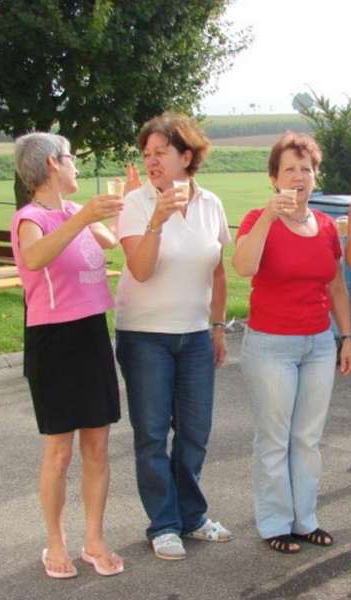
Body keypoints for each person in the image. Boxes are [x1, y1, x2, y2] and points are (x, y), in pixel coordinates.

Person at [114, 112, 233, 560]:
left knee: (195, 432)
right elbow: (141, 271)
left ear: (186, 155)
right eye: (146, 154)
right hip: (145, 336)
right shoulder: (137, 203)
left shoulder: (211, 204)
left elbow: (218, 271)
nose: (152, 161)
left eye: (161, 152)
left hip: (195, 335)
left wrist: (218, 326)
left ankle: (192, 516)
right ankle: (163, 523)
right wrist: (157, 220)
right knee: (150, 434)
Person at [233, 132, 351, 554]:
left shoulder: (323, 226)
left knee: (307, 437)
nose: (299, 176)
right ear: (274, 178)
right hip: (271, 345)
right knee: (274, 437)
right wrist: (268, 217)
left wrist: (346, 338)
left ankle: (306, 519)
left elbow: (337, 286)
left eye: (306, 169)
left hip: (318, 343)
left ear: (315, 176)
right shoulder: (255, 219)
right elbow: (244, 267)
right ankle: (274, 523)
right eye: (290, 169)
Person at [10, 132, 124, 578]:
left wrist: (127, 203)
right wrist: (78, 220)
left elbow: (111, 242)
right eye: (73, 159)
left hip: (92, 335)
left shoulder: (77, 212)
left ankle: (94, 540)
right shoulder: (29, 218)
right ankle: (54, 542)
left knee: (97, 447)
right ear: (54, 164)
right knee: (59, 452)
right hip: (53, 342)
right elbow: (34, 257)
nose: (77, 166)